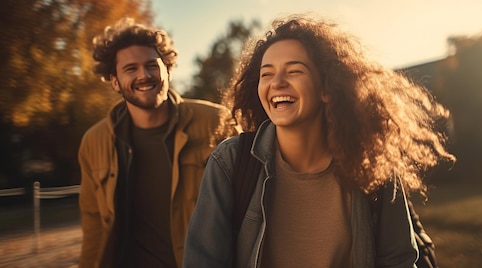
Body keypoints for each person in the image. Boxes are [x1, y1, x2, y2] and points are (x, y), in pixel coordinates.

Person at [183, 14, 455, 268]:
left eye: (294, 71)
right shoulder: (230, 161)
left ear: (327, 89)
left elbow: (400, 260)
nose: (276, 82)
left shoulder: (371, 162)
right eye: (266, 74)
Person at [78, 18, 239, 267]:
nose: (144, 75)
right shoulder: (94, 141)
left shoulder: (216, 121)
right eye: (130, 69)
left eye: (152, 65)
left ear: (168, 69)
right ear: (114, 81)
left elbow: (246, 202)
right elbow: (94, 227)